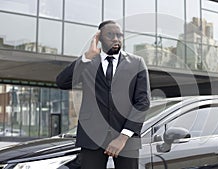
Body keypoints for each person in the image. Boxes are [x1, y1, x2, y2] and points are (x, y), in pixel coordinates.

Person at [56, 20, 151, 169]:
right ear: (98, 38)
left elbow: (143, 102)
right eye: (110, 35)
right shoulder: (88, 63)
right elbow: (62, 82)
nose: (116, 38)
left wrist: (122, 137)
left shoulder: (137, 63)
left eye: (119, 35)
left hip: (126, 140)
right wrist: (87, 57)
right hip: (92, 138)